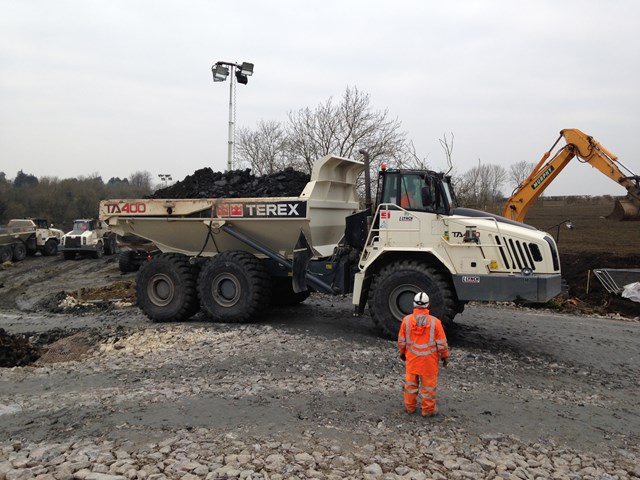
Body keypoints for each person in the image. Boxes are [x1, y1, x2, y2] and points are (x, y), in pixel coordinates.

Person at [397, 292, 449, 417]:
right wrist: (445, 357)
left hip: (412, 360)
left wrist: (402, 353)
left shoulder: (406, 320)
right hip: (429, 362)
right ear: (428, 305)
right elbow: (442, 343)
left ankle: (410, 408)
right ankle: (427, 410)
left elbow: (401, 341)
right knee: (428, 388)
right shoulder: (435, 322)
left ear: (414, 304)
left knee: (410, 385)